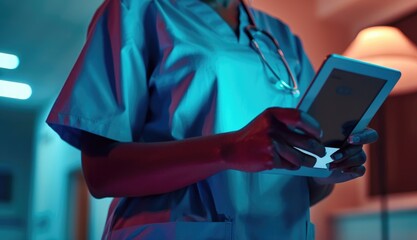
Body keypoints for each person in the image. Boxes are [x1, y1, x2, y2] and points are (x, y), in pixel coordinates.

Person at [47, 0, 378, 239]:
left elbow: (302, 188)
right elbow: (102, 174)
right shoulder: (135, 10)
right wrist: (227, 150)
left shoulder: (281, 37)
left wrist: (325, 171)